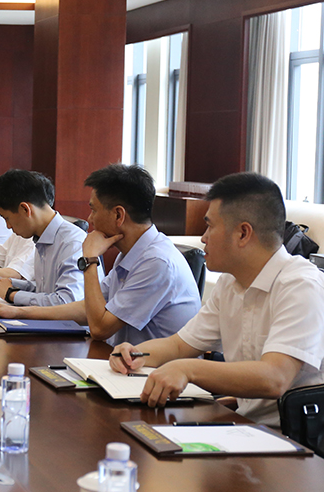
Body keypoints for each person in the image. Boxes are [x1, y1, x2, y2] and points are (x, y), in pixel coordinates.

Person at [110, 172, 324, 427]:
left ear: (243, 233)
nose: (203, 237)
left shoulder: (300, 286)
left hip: (292, 439)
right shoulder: (230, 283)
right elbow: (178, 346)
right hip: (244, 425)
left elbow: (274, 378)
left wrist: (187, 370)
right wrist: (135, 355)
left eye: (210, 226)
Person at [0, 164, 201, 346]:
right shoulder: (132, 253)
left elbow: (99, 328)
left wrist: (89, 260)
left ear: (118, 215)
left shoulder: (157, 262)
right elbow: (84, 308)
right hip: (122, 365)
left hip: (151, 376)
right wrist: (17, 313)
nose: (90, 218)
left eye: (94, 210)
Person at [0, 169, 86, 307]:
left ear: (25, 209)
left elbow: (67, 302)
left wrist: (11, 294)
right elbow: (45, 289)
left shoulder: (72, 243)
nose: (8, 226)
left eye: (7, 218)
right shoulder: (42, 238)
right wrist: (13, 284)